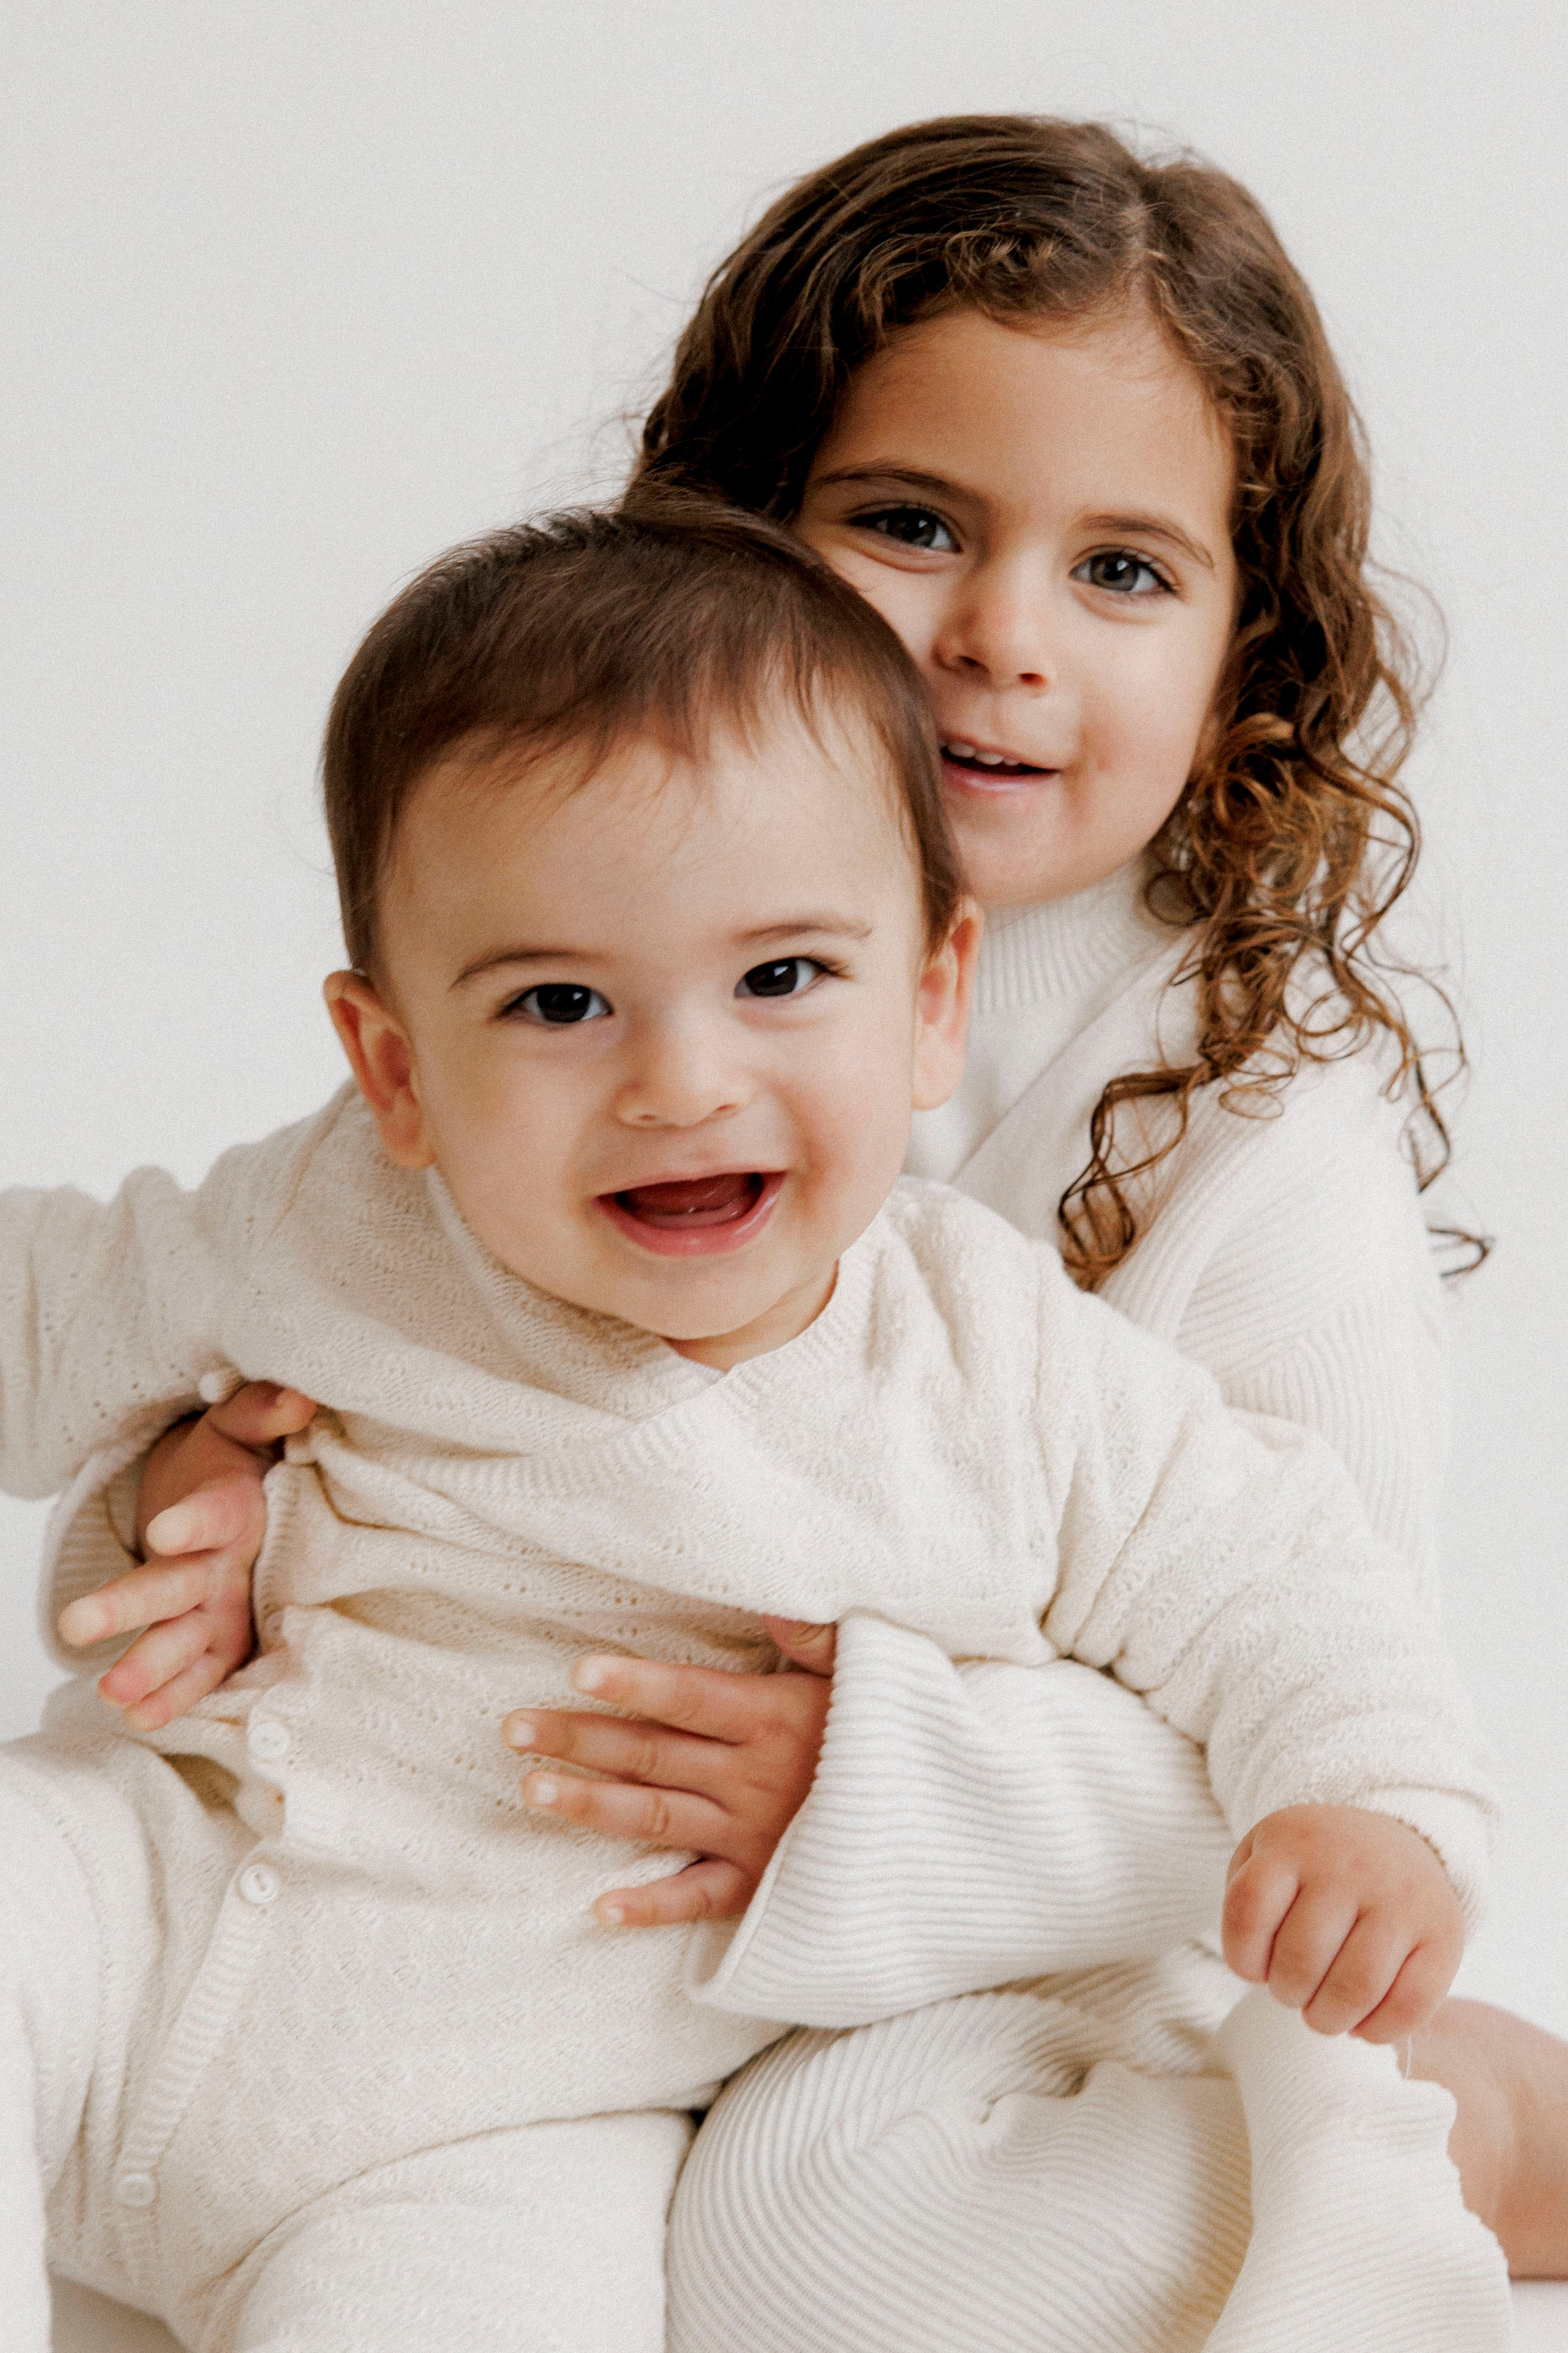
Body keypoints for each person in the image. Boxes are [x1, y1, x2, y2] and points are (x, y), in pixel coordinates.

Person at [55, 113, 1567, 2313]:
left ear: (1249, 663)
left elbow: (1319, 1682)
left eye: (1121, 570)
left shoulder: (1267, 1165)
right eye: (911, 521)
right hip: (518, 1938)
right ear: (735, 542)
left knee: (827, 2240)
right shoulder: (608, 960)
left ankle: (1464, 2122)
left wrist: (879, 1792)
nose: (998, 638)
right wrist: (193, 1510)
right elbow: (353, 1338)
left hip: (997, 1947)